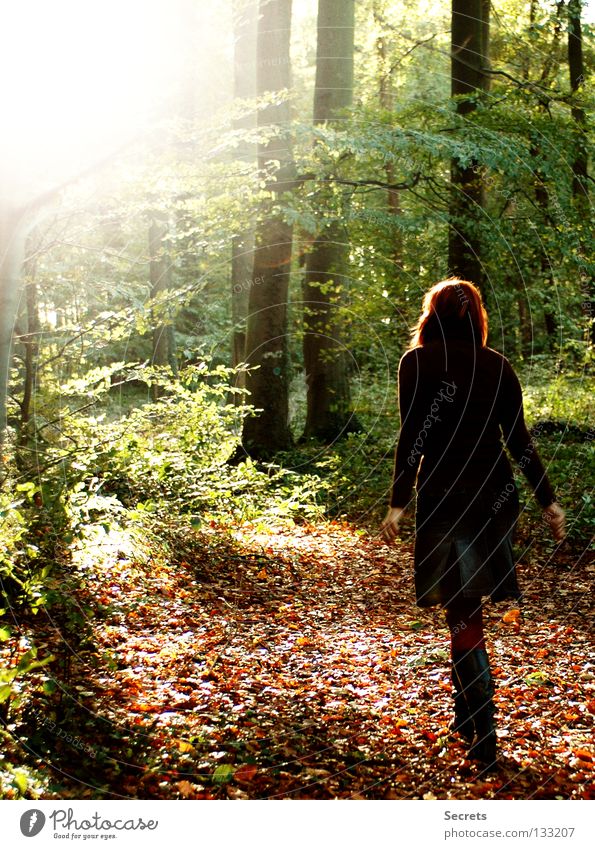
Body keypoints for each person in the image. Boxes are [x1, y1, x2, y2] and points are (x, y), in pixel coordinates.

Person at [380, 279, 565, 768]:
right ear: (476, 316)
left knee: (462, 609)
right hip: (492, 500)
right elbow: (520, 441)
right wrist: (548, 501)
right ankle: (469, 714)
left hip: (444, 500)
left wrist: (398, 503)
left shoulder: (416, 364)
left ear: (433, 315)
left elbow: (412, 437)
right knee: (467, 607)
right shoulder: (497, 366)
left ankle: (482, 728)